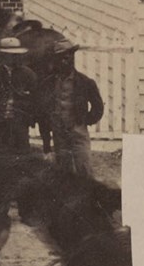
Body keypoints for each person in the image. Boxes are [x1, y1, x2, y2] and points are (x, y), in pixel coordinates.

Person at [40, 39, 103, 177]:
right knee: (64, 172)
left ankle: (88, 196)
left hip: (78, 133)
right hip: (59, 134)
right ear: (56, 60)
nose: (66, 60)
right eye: (61, 57)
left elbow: (98, 108)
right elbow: (43, 113)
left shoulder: (85, 82)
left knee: (84, 168)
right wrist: (46, 141)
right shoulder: (48, 83)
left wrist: (84, 120)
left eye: (69, 56)